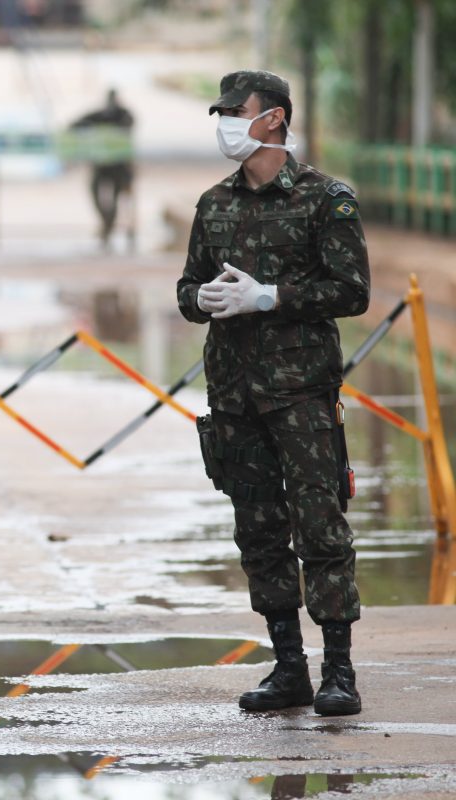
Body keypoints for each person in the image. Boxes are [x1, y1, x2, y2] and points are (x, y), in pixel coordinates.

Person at [176, 71, 370, 717]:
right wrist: (199, 301)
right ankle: (288, 667)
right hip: (234, 396)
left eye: (237, 111)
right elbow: (188, 288)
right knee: (258, 533)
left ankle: (338, 671)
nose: (226, 122)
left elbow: (352, 291)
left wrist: (273, 297)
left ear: (274, 119)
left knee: (321, 532)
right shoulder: (214, 203)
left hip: (300, 395)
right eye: (222, 112)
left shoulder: (325, 199)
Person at [70, 88, 135, 250]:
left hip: (119, 166)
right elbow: (75, 124)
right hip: (101, 165)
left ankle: (108, 227)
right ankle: (107, 224)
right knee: (95, 193)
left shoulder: (124, 115)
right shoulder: (99, 115)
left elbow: (128, 127)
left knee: (116, 198)